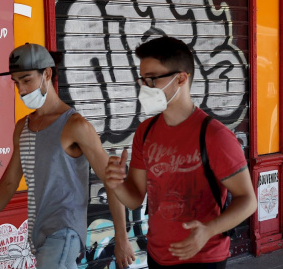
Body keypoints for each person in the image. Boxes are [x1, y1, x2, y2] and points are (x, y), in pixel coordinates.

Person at [0, 43, 135, 268]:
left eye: (27, 80)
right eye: (16, 83)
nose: (22, 90)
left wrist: (121, 239)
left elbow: (112, 182)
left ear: (47, 74)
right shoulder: (22, 127)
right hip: (40, 236)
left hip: (64, 234)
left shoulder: (75, 125)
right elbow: (9, 183)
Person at [104, 36, 257, 268]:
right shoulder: (145, 132)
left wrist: (208, 230)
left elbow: (248, 201)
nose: (145, 87)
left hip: (203, 258)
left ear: (181, 78)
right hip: (157, 256)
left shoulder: (215, 136)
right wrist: (117, 186)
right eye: (142, 80)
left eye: (152, 79)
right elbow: (134, 198)